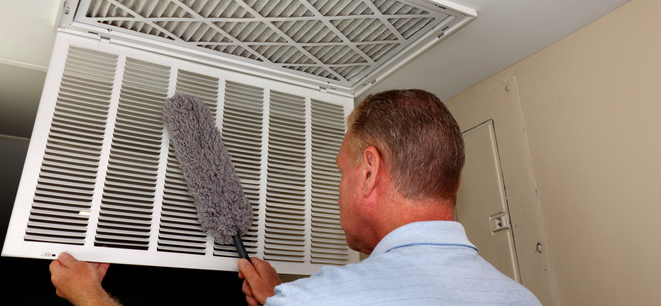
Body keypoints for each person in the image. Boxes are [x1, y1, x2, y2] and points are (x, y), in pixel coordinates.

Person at [49, 89, 541, 306]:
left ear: (369, 170)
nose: (339, 186)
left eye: (342, 171)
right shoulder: (522, 300)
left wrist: (88, 296)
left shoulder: (327, 299)